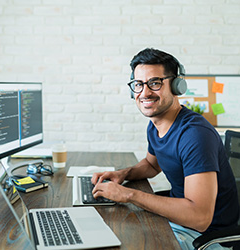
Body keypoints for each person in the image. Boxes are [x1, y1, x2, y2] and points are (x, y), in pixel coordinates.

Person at [91, 48, 239, 249]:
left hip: (206, 237)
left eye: (154, 83)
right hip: (180, 222)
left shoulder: (195, 135)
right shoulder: (155, 125)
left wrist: (128, 194)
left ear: (177, 86)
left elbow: (200, 218)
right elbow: (152, 166)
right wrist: (123, 174)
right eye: (138, 84)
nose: (145, 92)